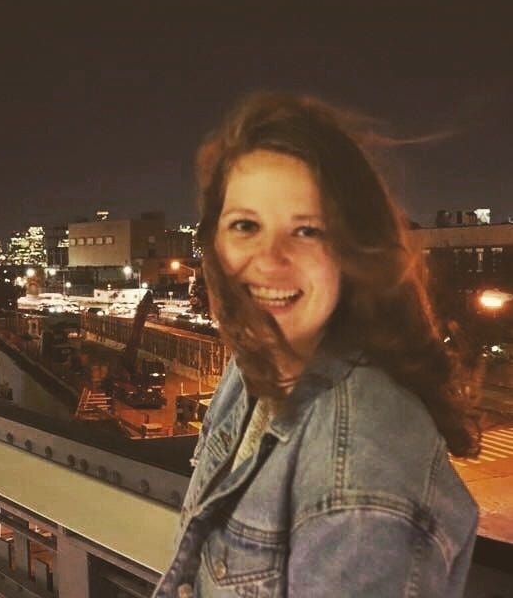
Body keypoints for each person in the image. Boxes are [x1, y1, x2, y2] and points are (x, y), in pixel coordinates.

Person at [154, 93, 481, 597]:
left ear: (351, 249)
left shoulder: (361, 482)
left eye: (306, 230)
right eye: (246, 226)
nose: (270, 259)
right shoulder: (256, 366)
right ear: (213, 243)